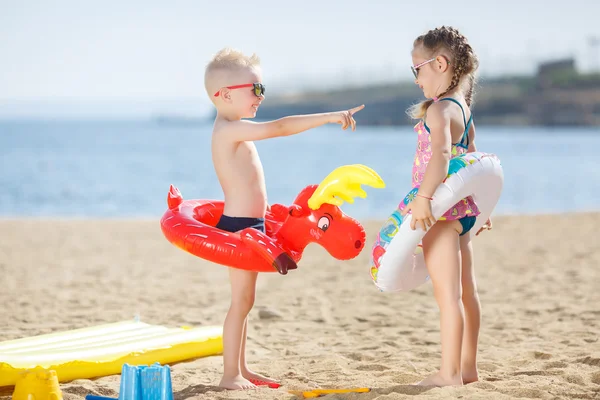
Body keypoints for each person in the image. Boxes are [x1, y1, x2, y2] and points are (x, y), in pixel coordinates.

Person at [204, 47, 364, 390]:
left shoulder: (234, 127)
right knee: (240, 302)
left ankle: (241, 369)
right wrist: (329, 116)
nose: (261, 96)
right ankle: (229, 374)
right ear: (225, 94)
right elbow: (279, 127)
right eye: (255, 89)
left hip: (253, 225)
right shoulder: (227, 131)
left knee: (246, 301)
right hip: (240, 228)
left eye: (263, 89)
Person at [399, 26, 493, 387]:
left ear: (439, 64)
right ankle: (469, 369)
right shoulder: (464, 109)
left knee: (447, 297)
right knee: (468, 293)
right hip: (463, 212)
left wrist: (423, 199)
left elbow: (440, 158)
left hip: (441, 214)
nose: (416, 79)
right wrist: (483, 209)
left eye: (416, 69)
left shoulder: (439, 111)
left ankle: (449, 374)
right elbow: (472, 161)